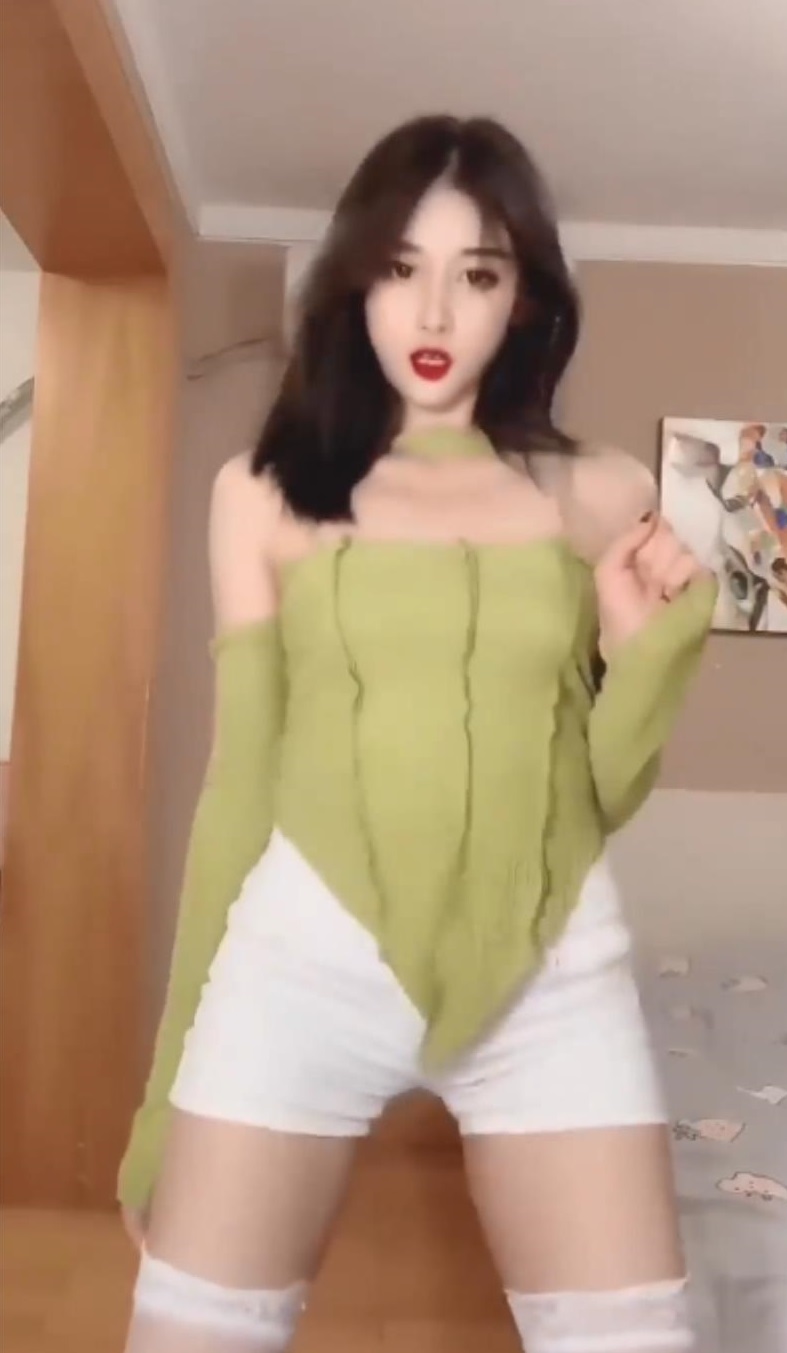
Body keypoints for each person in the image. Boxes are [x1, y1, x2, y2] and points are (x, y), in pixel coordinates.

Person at [118, 114, 717, 1352]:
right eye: (401, 268)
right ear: (355, 281)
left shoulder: (600, 492)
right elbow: (239, 786)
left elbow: (593, 796)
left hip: (550, 973)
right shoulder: (264, 492)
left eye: (477, 275)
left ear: (523, 299)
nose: (434, 313)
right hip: (302, 961)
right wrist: (163, 1095)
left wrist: (649, 651)